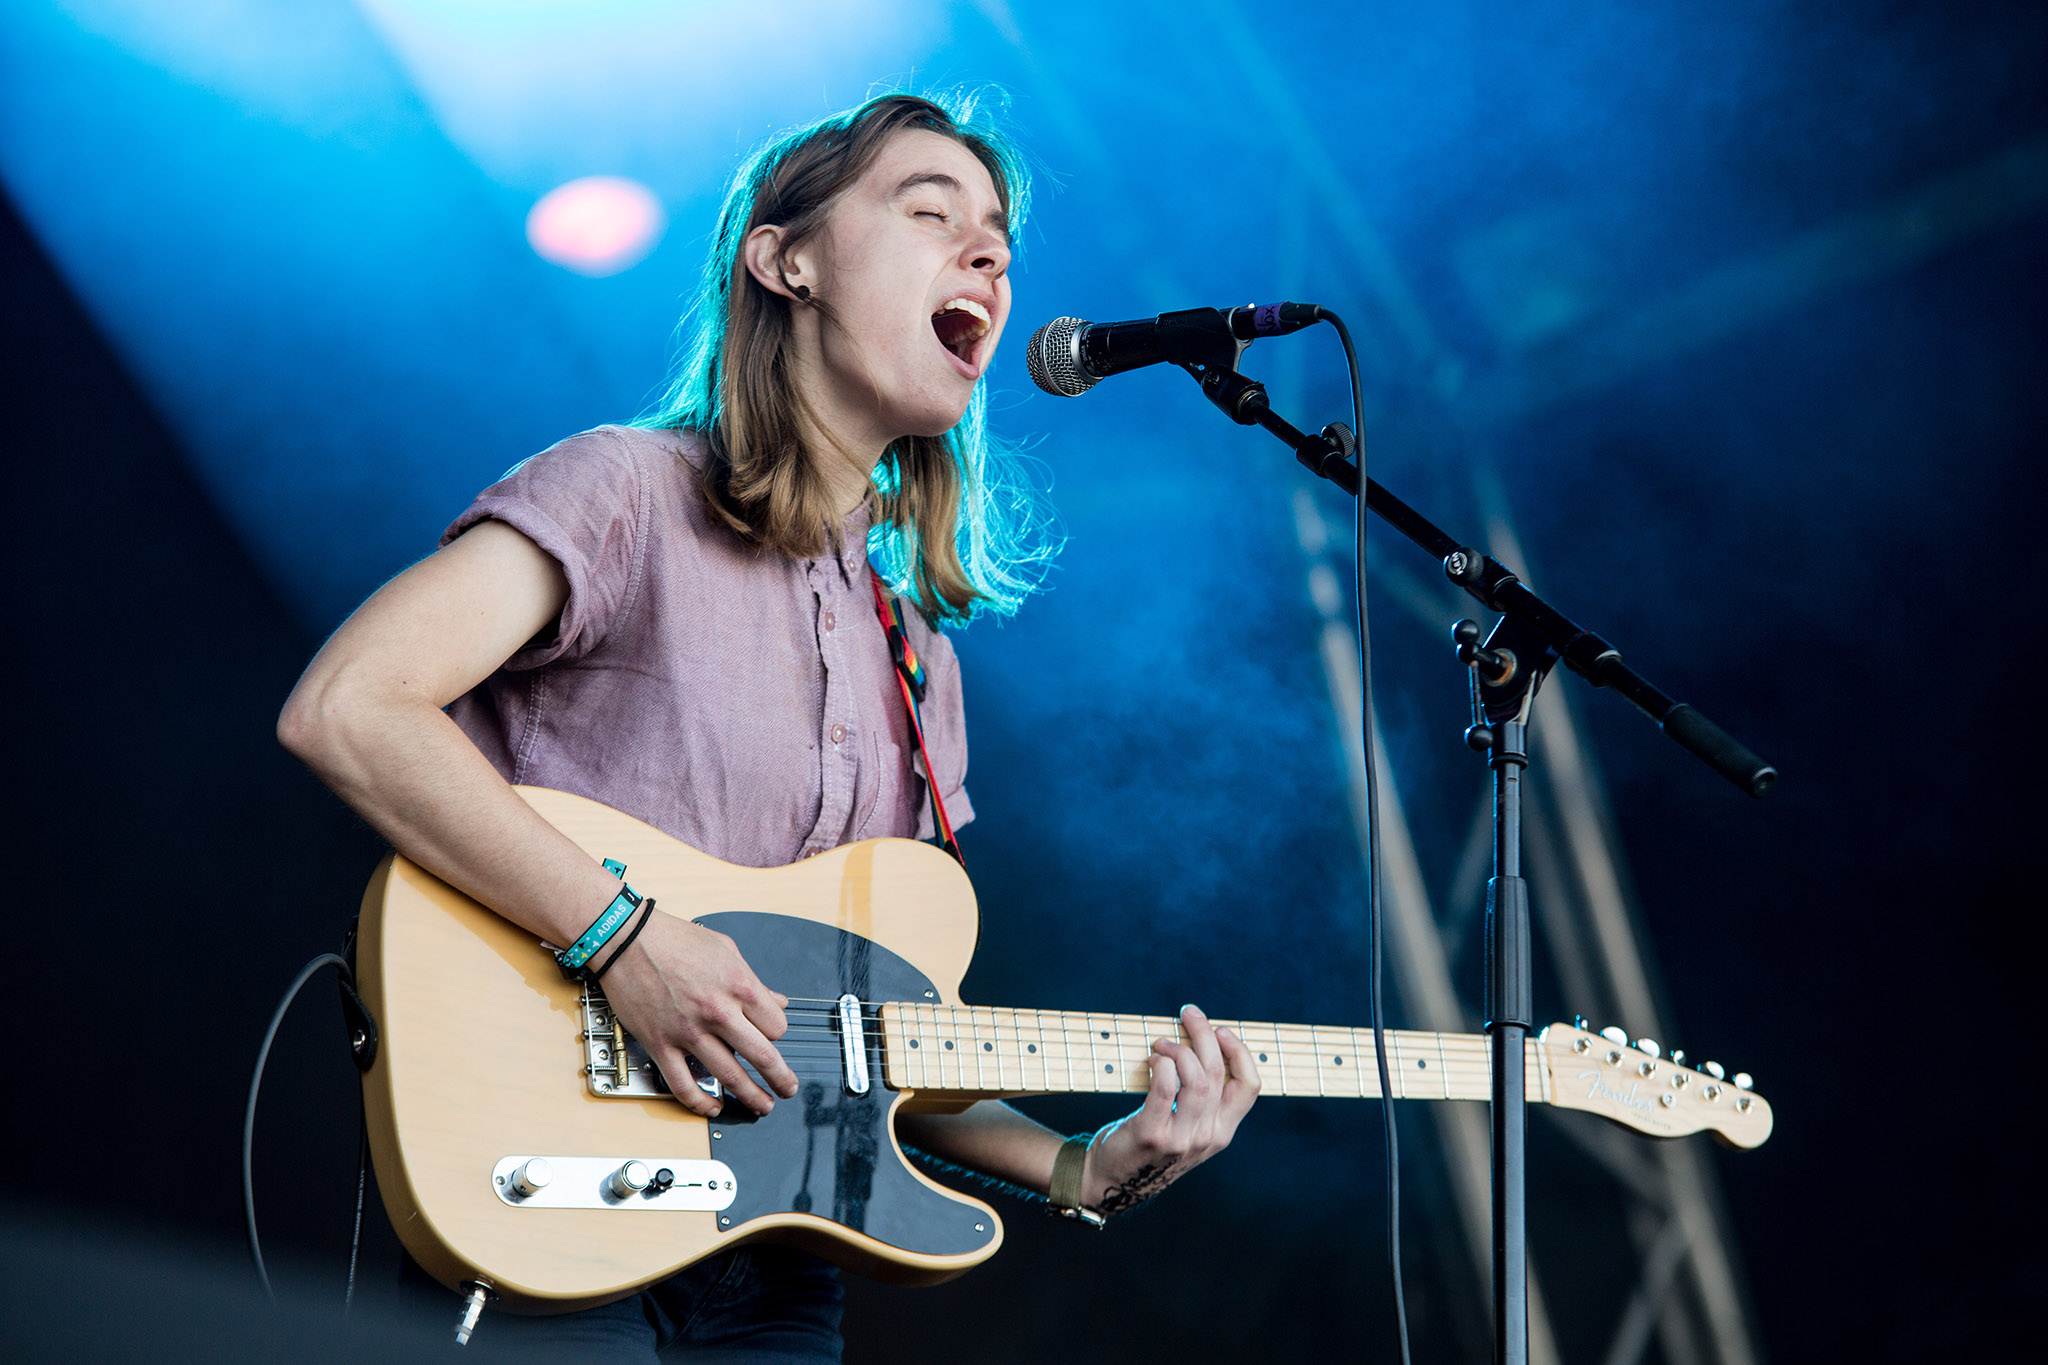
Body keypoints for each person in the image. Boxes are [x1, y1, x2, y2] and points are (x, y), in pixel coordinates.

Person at [278, 90, 1260, 1360]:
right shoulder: (627, 489)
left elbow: (852, 1039)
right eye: (930, 213)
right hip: (549, 1202)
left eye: (1000, 245)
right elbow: (350, 708)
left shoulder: (919, 660)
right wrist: (620, 937)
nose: (988, 257)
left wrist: (1079, 1165)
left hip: (782, 1273)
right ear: (783, 258)